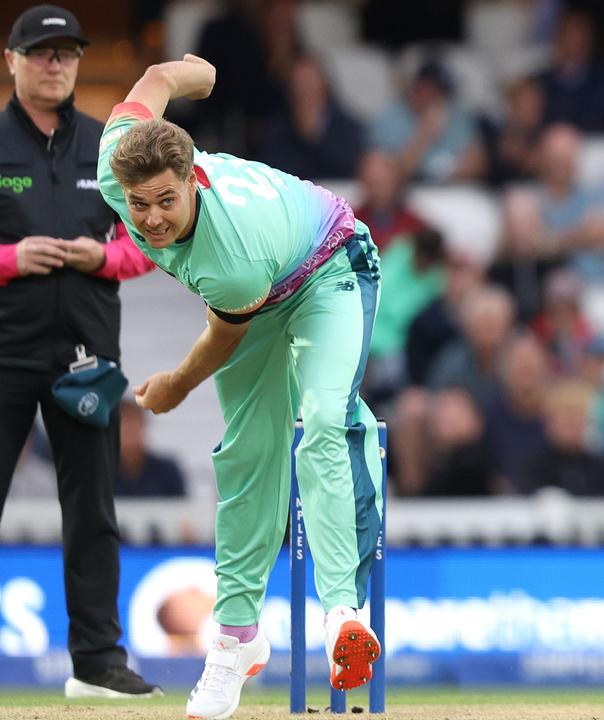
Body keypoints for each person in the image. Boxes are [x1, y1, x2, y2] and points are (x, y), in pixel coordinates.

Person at [98, 55, 385, 719]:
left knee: (321, 420)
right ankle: (235, 645)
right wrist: (189, 70)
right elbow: (155, 84)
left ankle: (342, 613)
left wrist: (173, 385)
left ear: (194, 176)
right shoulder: (122, 160)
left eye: (168, 201)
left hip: (328, 269)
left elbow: (223, 336)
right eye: (139, 206)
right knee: (247, 458)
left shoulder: (229, 261)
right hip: (260, 290)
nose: (153, 221)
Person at [0, 4, 159, 700]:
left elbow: (155, 240)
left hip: (86, 358)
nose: (55, 63)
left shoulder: (110, 147)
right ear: (12, 61)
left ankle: (97, 664)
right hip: (5, 352)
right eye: (40, 52)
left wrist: (103, 255)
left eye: (66, 52)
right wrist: (10, 258)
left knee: (93, 512)